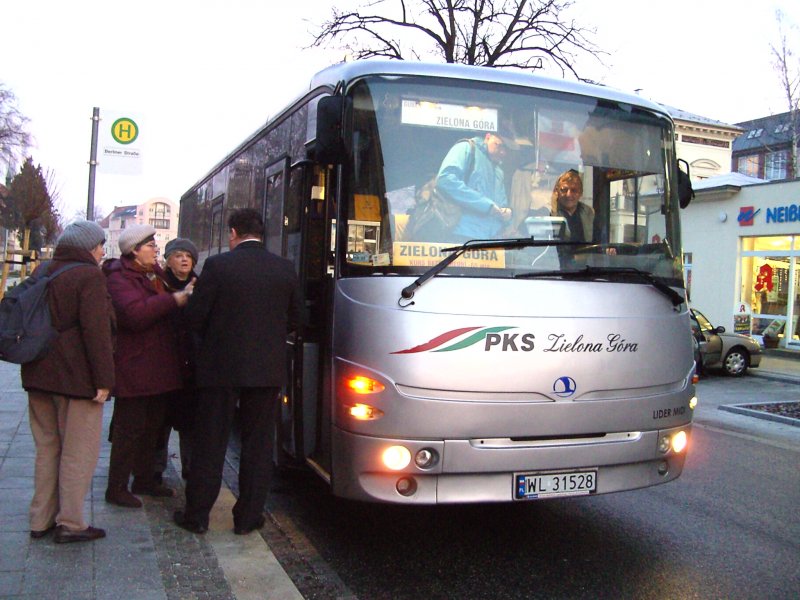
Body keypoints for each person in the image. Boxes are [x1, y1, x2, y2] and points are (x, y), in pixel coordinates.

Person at [174, 208, 300, 536]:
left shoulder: (217, 267)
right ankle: (247, 518)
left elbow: (195, 318)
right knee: (258, 446)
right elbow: (298, 319)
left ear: (233, 233)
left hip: (219, 371)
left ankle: (198, 515)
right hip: (266, 372)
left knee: (210, 443)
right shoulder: (284, 269)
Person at [21, 220, 115, 543]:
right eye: (101, 245)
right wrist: (104, 380)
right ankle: (71, 523)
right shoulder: (89, 276)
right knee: (78, 452)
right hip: (77, 381)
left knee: (47, 449)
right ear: (89, 246)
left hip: (37, 375)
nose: (104, 252)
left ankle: (40, 520)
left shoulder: (44, 270)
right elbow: (96, 333)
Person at [103, 225, 193, 508]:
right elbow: (134, 315)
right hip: (136, 367)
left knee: (152, 429)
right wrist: (173, 299)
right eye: (150, 245)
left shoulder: (153, 273)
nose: (155, 249)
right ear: (133, 250)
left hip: (159, 368)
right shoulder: (120, 277)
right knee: (129, 431)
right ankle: (116, 487)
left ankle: (144, 480)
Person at [153, 238, 199, 484]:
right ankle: (154, 471)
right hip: (163, 365)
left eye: (188, 256)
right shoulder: (158, 286)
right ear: (168, 260)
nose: (184, 260)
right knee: (160, 424)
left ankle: (191, 472)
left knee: (190, 424)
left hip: (191, 369)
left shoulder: (202, 287)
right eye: (179, 255)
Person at [435, 131, 515, 241]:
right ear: (487, 137)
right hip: (462, 234)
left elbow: (501, 204)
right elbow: (446, 180)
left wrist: (508, 215)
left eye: (506, 149)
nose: (502, 152)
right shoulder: (466, 148)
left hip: (492, 240)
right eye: (500, 145)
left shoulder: (498, 171)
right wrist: (486, 205)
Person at [551, 169, 594, 243]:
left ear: (580, 193)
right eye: (564, 190)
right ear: (556, 191)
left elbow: (598, 240)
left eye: (574, 190)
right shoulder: (549, 212)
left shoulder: (589, 213)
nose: (568, 195)